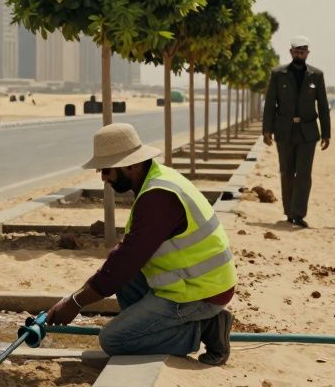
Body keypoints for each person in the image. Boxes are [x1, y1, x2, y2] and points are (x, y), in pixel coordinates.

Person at [45, 123, 238, 365]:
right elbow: (124, 259)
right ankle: (154, 328)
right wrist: (81, 293)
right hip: (192, 282)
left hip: (202, 292)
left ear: (132, 165)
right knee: (119, 277)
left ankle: (205, 329)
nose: (104, 179)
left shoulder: (158, 197)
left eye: (106, 171)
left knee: (114, 340)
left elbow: (126, 262)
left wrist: (75, 303)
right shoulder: (157, 179)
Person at [261, 36, 332, 228]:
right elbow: (270, 104)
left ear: (308, 53)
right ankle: (289, 212)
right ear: (291, 52)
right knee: (286, 172)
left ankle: (299, 213)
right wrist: (266, 130)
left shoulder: (316, 75)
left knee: (304, 174)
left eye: (303, 51)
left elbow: (323, 105)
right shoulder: (278, 74)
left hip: (308, 132)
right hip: (284, 131)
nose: (299, 54)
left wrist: (326, 133)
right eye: (296, 51)